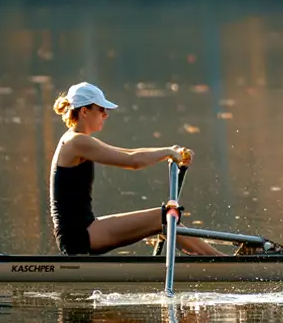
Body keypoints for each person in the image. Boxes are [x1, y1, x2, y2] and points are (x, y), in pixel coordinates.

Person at [49, 81, 222, 256]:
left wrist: (169, 151)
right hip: (79, 235)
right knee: (162, 218)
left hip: (82, 230)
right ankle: (221, 262)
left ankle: (216, 261)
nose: (105, 114)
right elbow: (133, 161)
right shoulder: (77, 142)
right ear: (84, 111)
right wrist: (168, 152)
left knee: (164, 219)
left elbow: (129, 152)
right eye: (101, 109)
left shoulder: (74, 139)